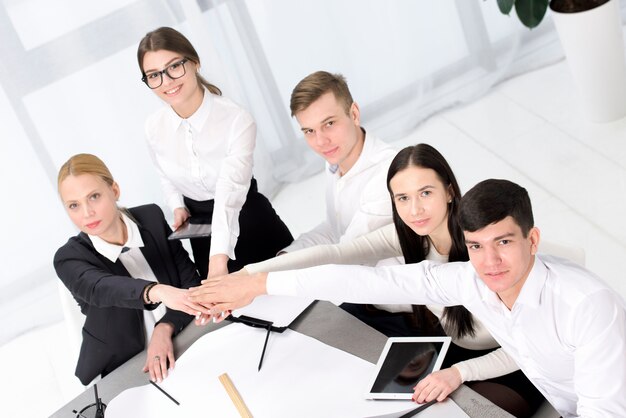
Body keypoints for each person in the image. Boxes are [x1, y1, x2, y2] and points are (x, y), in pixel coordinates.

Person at [189, 179, 626, 418]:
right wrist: (257, 282)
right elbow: (361, 282)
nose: (490, 261)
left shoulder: (586, 305)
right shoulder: (470, 282)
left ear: (532, 239)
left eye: (504, 242)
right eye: (475, 246)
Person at [232, 144, 544, 416]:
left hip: (514, 363)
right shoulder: (411, 235)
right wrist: (250, 275)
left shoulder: (484, 249)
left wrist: (460, 373)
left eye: (425, 193)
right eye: (402, 198)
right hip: (455, 347)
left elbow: (529, 342)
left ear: (449, 191)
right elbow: (335, 254)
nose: (415, 210)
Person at [137, 26, 293, 279]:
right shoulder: (153, 127)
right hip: (202, 233)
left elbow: (229, 193)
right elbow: (163, 171)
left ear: (195, 62)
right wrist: (177, 205)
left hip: (249, 221)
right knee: (238, 317)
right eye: (154, 75)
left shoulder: (236, 119)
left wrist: (218, 261)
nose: (166, 82)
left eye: (174, 66)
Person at [54, 153, 207, 385]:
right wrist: (157, 291)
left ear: (114, 190)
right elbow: (103, 287)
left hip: (184, 334)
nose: (86, 213)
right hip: (124, 367)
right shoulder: (68, 258)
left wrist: (164, 327)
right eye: (74, 205)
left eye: (94, 196)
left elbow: (190, 286)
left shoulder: (151, 217)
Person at [280, 71, 397, 253]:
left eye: (329, 124)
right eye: (309, 131)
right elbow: (335, 229)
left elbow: (344, 253)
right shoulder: (336, 160)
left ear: (355, 114)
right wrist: (284, 257)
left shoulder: (387, 174)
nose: (320, 142)